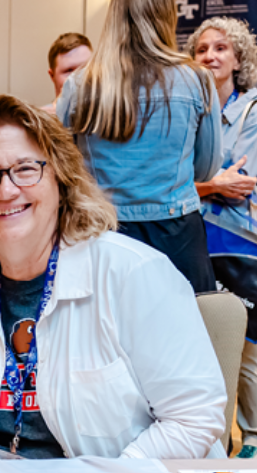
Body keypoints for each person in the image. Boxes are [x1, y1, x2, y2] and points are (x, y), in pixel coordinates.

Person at [0, 95, 226, 462]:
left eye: (25, 169)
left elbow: (194, 417)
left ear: (61, 178)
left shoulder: (133, 274)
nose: (5, 190)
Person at [56, 0, 222, 294]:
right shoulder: (197, 80)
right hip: (177, 235)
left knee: (105, 335)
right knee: (182, 333)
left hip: (103, 233)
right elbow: (206, 169)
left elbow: (64, 170)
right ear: (167, 16)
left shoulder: (80, 84)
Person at [188, 16, 257, 459]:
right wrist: (210, 183)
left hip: (241, 244)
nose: (210, 56)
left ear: (238, 58)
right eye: (202, 49)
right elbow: (195, 178)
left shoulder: (256, 113)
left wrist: (200, 183)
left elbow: (239, 179)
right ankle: (216, 435)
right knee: (204, 336)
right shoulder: (189, 107)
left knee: (245, 341)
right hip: (195, 239)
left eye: (220, 48)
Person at [43, 31, 92, 113]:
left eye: (86, 68)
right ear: (52, 75)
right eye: (69, 71)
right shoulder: (39, 122)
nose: (80, 78)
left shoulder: (108, 119)